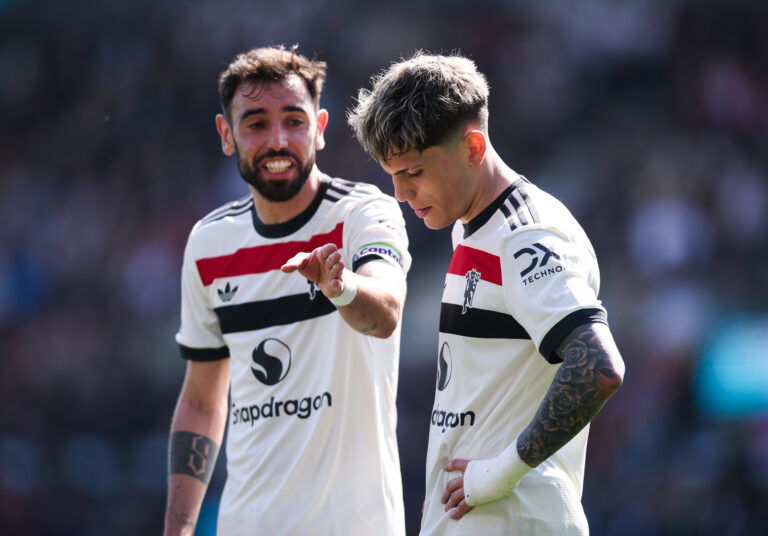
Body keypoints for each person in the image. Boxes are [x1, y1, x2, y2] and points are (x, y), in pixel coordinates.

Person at [348, 52, 625, 535]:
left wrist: (498, 474)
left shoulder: (525, 237)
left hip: (515, 520)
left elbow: (598, 366)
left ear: (473, 146)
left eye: (414, 172)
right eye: (392, 174)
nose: (399, 192)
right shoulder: (472, 228)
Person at [164, 45, 411, 536]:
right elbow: (201, 401)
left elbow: (384, 314)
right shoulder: (209, 244)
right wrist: (178, 529)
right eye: (255, 123)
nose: (277, 140)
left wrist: (339, 288)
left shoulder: (362, 214)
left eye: (293, 121)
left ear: (319, 127)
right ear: (226, 135)